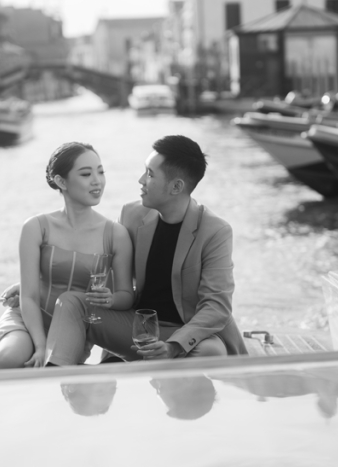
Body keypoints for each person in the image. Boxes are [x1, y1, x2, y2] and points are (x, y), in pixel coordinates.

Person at [44, 135, 247, 365]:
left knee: (211, 351)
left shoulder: (215, 231)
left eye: (150, 174)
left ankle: (136, 365)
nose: (141, 180)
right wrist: (42, 281)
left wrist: (173, 346)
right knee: (71, 302)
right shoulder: (131, 215)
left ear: (176, 187)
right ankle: (56, 374)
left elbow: (216, 307)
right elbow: (97, 267)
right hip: (137, 326)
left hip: (185, 332)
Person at [0, 142, 134, 372]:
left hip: (74, 328)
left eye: (101, 171)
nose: (97, 181)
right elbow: (28, 296)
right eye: (86, 174)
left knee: (44, 366)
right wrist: (39, 346)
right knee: (10, 356)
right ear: (61, 182)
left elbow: (127, 295)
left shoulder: (116, 234)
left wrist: (111, 300)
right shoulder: (36, 227)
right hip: (29, 319)